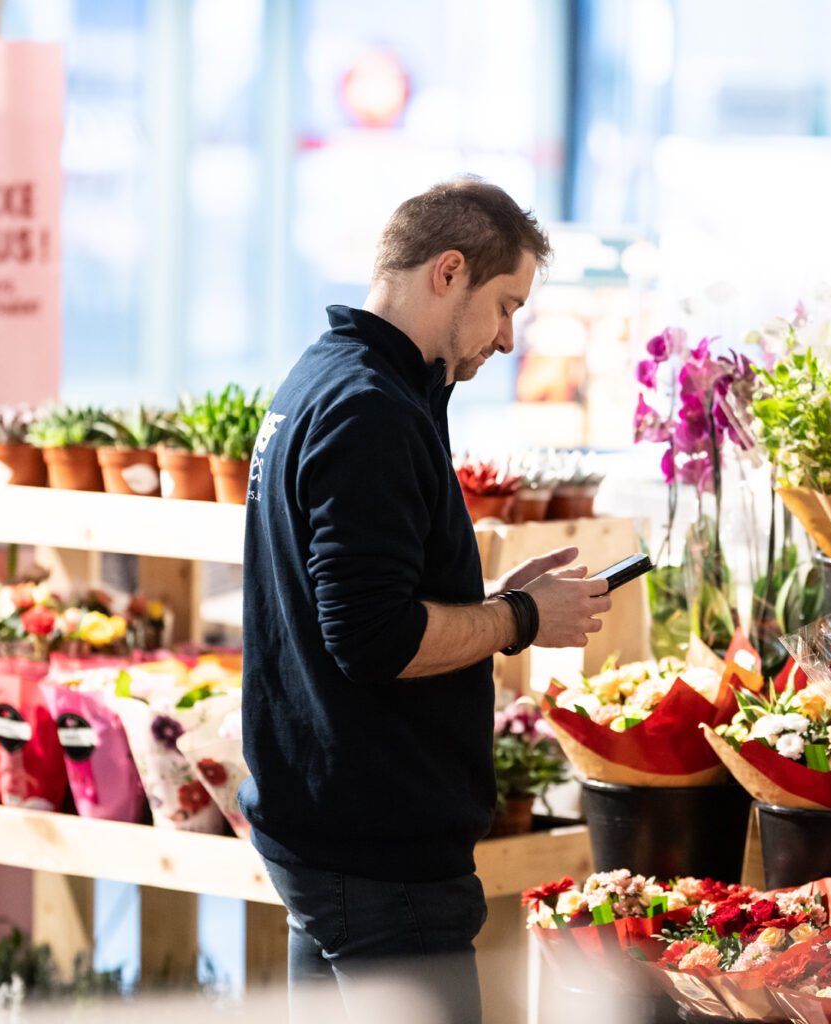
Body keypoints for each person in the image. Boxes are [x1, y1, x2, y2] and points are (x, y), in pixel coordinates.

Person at [238, 176, 611, 1024]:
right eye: (506, 305)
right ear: (449, 272)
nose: (508, 338)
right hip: (381, 861)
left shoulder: (327, 377)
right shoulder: (371, 409)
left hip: (328, 839)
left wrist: (488, 599)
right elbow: (374, 638)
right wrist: (520, 619)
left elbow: (355, 601)